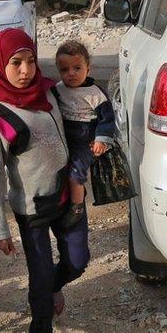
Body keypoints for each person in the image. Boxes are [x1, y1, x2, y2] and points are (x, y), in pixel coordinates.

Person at [0, 29, 89, 333]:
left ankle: (56, 287)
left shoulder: (50, 91)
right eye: (15, 63)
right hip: (32, 211)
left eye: (29, 61)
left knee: (79, 260)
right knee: (39, 278)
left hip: (67, 197)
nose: (25, 70)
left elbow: (87, 107)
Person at [53, 41, 115, 228]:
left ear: (88, 69)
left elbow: (107, 119)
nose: (71, 73)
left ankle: (77, 207)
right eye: (65, 70)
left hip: (85, 142)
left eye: (77, 68)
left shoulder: (95, 94)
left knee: (74, 175)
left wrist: (101, 140)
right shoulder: (58, 89)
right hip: (64, 140)